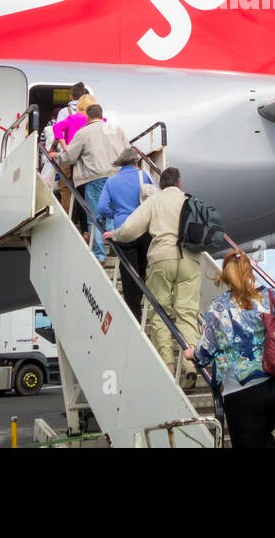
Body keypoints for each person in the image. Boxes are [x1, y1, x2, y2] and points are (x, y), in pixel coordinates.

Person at [187, 252, 275, 448]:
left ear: (225, 276)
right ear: (250, 271)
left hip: (243, 393)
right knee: (263, 436)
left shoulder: (218, 307)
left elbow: (205, 352)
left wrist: (191, 354)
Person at [110, 167, 200, 378]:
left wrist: (114, 234)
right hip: (190, 259)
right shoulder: (191, 201)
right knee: (186, 312)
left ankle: (168, 365)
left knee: (160, 312)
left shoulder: (154, 201)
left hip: (162, 258)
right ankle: (191, 366)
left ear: (160, 185)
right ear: (179, 183)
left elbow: (130, 229)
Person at [51, 103, 127, 262]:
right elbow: (128, 151)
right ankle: (116, 245)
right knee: (114, 214)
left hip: (95, 178)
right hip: (117, 177)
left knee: (94, 217)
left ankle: (100, 255)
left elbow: (70, 156)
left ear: (87, 117)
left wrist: (57, 157)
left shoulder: (83, 133)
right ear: (101, 115)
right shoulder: (117, 130)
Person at [97, 148, 156, 314]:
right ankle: (142, 297)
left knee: (129, 273)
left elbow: (101, 207)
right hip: (144, 229)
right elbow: (157, 199)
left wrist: (116, 214)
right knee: (144, 268)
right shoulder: (146, 176)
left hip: (123, 231)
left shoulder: (111, 182)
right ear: (136, 161)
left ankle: (134, 312)